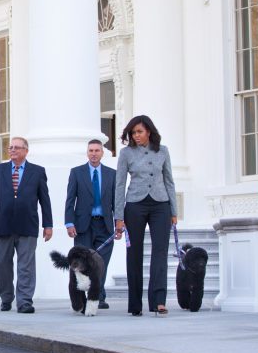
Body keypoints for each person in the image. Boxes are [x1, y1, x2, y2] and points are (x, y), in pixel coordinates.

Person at [0, 137, 53, 314]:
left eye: (16, 148)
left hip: (28, 225)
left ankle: (25, 301)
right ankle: (6, 298)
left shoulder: (37, 172)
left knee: (26, 266)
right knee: (1, 263)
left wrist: (48, 225)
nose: (12, 150)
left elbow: (45, 200)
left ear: (26, 151)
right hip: (3, 225)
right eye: (10, 147)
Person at [114, 115, 177, 317]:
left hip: (161, 204)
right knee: (134, 254)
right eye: (133, 132)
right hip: (134, 204)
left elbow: (169, 181)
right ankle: (135, 304)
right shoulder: (126, 154)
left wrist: (174, 211)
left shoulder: (163, 151)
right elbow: (119, 185)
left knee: (160, 252)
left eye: (139, 132)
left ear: (149, 131)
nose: (136, 136)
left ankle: (158, 301)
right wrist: (119, 216)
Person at [64, 139, 116, 310]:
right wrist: (69, 222)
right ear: (87, 153)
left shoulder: (111, 174)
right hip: (83, 226)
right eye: (91, 150)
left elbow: (116, 201)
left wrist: (120, 222)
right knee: (81, 264)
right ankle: (80, 299)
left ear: (102, 153)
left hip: (105, 225)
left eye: (97, 150)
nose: (94, 153)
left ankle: (99, 296)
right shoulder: (77, 172)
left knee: (101, 263)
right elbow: (70, 199)